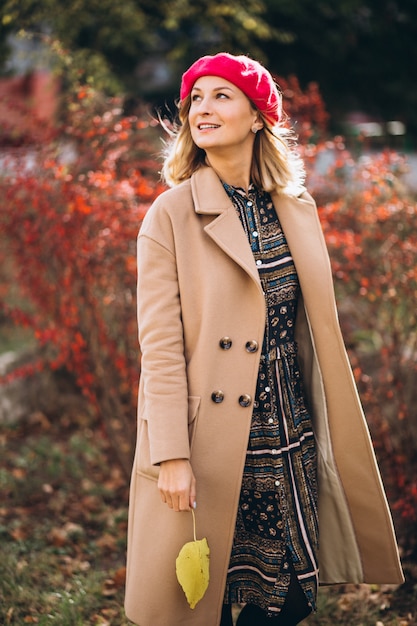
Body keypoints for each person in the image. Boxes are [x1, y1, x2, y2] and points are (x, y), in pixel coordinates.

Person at [124, 53, 403, 626]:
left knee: (287, 599)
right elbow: (161, 349)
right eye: (195, 99)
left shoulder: (294, 210)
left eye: (221, 96)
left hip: (290, 431)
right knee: (213, 601)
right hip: (214, 440)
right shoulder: (170, 216)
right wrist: (171, 456)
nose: (203, 109)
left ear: (258, 116)